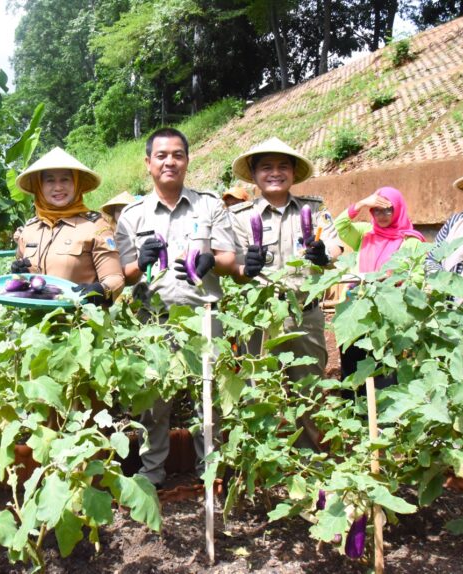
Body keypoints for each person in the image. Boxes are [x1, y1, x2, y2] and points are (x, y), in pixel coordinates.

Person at [115, 127, 238, 488]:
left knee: (209, 398)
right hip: (153, 320)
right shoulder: (132, 215)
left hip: (204, 317)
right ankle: (152, 472)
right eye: (162, 155)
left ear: (187, 159)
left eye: (177, 155)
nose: (170, 161)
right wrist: (140, 261)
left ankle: (208, 470)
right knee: (154, 402)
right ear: (148, 163)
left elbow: (230, 256)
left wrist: (209, 260)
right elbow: (124, 274)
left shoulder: (209, 204)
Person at [227, 137, 342, 448]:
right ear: (254, 174)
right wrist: (242, 266)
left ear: (293, 172)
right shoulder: (240, 217)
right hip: (261, 318)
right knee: (258, 389)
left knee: (309, 390)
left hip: (305, 315)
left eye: (282, 167)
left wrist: (324, 254)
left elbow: (335, 245)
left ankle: (309, 458)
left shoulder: (313, 210)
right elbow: (230, 261)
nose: (275, 173)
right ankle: (263, 458)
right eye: (266, 168)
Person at [333, 186, 425, 392]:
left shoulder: (410, 241)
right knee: (352, 363)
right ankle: (356, 415)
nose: (382, 216)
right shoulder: (366, 233)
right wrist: (362, 203)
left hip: (388, 313)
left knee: (384, 366)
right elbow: (339, 224)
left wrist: (393, 281)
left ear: (398, 209)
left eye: (388, 210)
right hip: (355, 308)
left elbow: (417, 276)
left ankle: (384, 420)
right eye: (376, 210)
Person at [11, 147, 125, 305]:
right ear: (40, 186)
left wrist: (100, 290)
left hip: (80, 322)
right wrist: (19, 275)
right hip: (35, 324)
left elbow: (115, 278)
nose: (58, 187)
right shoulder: (30, 229)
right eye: (50, 180)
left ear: (76, 184)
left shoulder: (95, 226)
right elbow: (22, 280)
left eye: (65, 179)